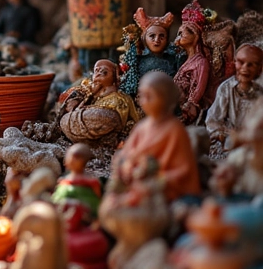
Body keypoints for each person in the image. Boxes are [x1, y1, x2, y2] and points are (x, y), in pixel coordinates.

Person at [111, 71, 200, 201]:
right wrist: (125, 167)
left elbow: (183, 171)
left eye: (150, 96)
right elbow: (127, 155)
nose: (144, 101)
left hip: (163, 190)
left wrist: (155, 181)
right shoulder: (141, 127)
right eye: (142, 96)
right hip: (139, 182)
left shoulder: (175, 130)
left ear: (166, 98)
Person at [205, 44, 263, 150]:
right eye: (241, 62)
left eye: (252, 65)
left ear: (260, 69)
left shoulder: (260, 94)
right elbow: (213, 119)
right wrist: (218, 132)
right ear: (234, 63)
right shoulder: (226, 88)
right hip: (229, 140)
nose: (245, 68)